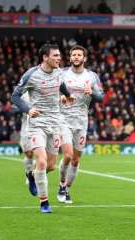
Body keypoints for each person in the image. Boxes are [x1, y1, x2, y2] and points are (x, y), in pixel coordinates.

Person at [11, 43, 74, 213]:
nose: (59, 58)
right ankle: (44, 202)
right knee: (41, 160)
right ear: (45, 57)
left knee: (51, 166)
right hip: (37, 123)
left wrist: (68, 95)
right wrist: (28, 109)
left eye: (59, 55)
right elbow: (15, 96)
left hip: (54, 124)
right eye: (55, 56)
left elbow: (60, 85)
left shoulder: (59, 72)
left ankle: (32, 175)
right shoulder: (31, 75)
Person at [57, 45, 104, 204]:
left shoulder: (91, 76)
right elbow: (51, 93)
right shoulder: (61, 74)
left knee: (76, 160)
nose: (76, 57)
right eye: (74, 55)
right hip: (64, 119)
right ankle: (62, 184)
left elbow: (101, 97)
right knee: (68, 155)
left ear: (84, 58)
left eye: (79, 55)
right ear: (70, 58)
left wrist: (93, 93)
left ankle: (67, 189)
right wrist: (60, 98)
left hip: (81, 121)